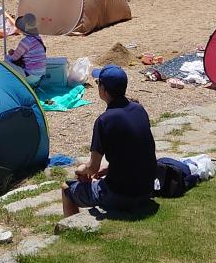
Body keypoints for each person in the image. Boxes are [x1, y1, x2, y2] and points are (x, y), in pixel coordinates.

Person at [60, 65, 156, 217]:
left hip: (121, 196)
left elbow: (92, 168)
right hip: (147, 189)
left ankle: (70, 229)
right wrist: (109, 169)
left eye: (98, 83)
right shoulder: (139, 110)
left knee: (66, 188)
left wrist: (81, 170)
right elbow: (135, 152)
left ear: (103, 90)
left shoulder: (104, 121)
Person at [6, 13, 46, 78]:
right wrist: (15, 52)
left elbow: (14, 58)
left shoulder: (25, 42)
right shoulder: (38, 38)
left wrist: (8, 56)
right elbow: (29, 52)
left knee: (6, 63)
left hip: (30, 75)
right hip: (41, 74)